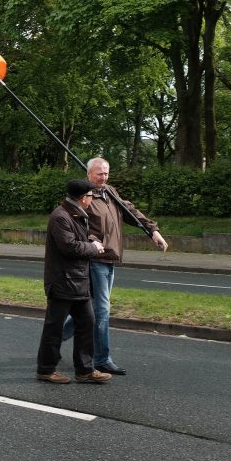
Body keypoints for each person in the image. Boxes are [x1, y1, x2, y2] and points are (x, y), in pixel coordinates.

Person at [64, 157, 169, 376]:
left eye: (106, 173)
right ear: (88, 174)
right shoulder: (84, 197)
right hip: (96, 260)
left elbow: (130, 212)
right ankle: (102, 359)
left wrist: (153, 231)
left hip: (111, 258)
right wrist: (91, 241)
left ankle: (52, 339)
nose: (103, 177)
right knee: (102, 310)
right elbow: (72, 224)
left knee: (89, 309)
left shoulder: (110, 192)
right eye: (99, 174)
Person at [36, 180, 112, 384]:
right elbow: (69, 247)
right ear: (82, 198)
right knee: (55, 328)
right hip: (62, 282)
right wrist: (93, 248)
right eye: (90, 197)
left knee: (87, 323)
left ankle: (85, 370)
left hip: (78, 282)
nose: (91, 200)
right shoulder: (60, 216)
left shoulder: (77, 214)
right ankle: (46, 369)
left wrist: (92, 239)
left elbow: (81, 237)